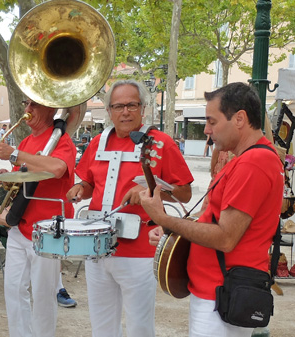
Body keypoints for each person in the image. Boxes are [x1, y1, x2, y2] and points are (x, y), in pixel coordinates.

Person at [140, 82, 283, 337]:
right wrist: (171, 235)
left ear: (240, 118)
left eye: (212, 122)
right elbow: (212, 220)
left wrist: (163, 218)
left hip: (221, 295)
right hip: (218, 292)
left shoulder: (254, 162)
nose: (206, 130)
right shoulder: (245, 159)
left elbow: (226, 238)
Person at [66, 80, 193, 337]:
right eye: (118, 106)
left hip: (139, 251)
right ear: (109, 110)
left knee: (139, 327)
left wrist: (151, 189)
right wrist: (81, 188)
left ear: (142, 108)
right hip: (97, 247)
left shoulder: (160, 143)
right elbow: (90, 181)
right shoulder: (98, 141)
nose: (125, 111)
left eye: (132, 105)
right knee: (101, 325)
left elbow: (185, 193)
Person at [0, 98, 76, 337]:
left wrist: (15, 155)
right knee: (14, 291)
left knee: (43, 296)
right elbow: (24, 178)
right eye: (26, 104)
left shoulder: (62, 140)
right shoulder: (28, 141)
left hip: (48, 231)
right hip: (21, 227)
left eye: (33, 105)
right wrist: (8, 176)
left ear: (50, 109)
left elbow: (57, 168)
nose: (27, 110)